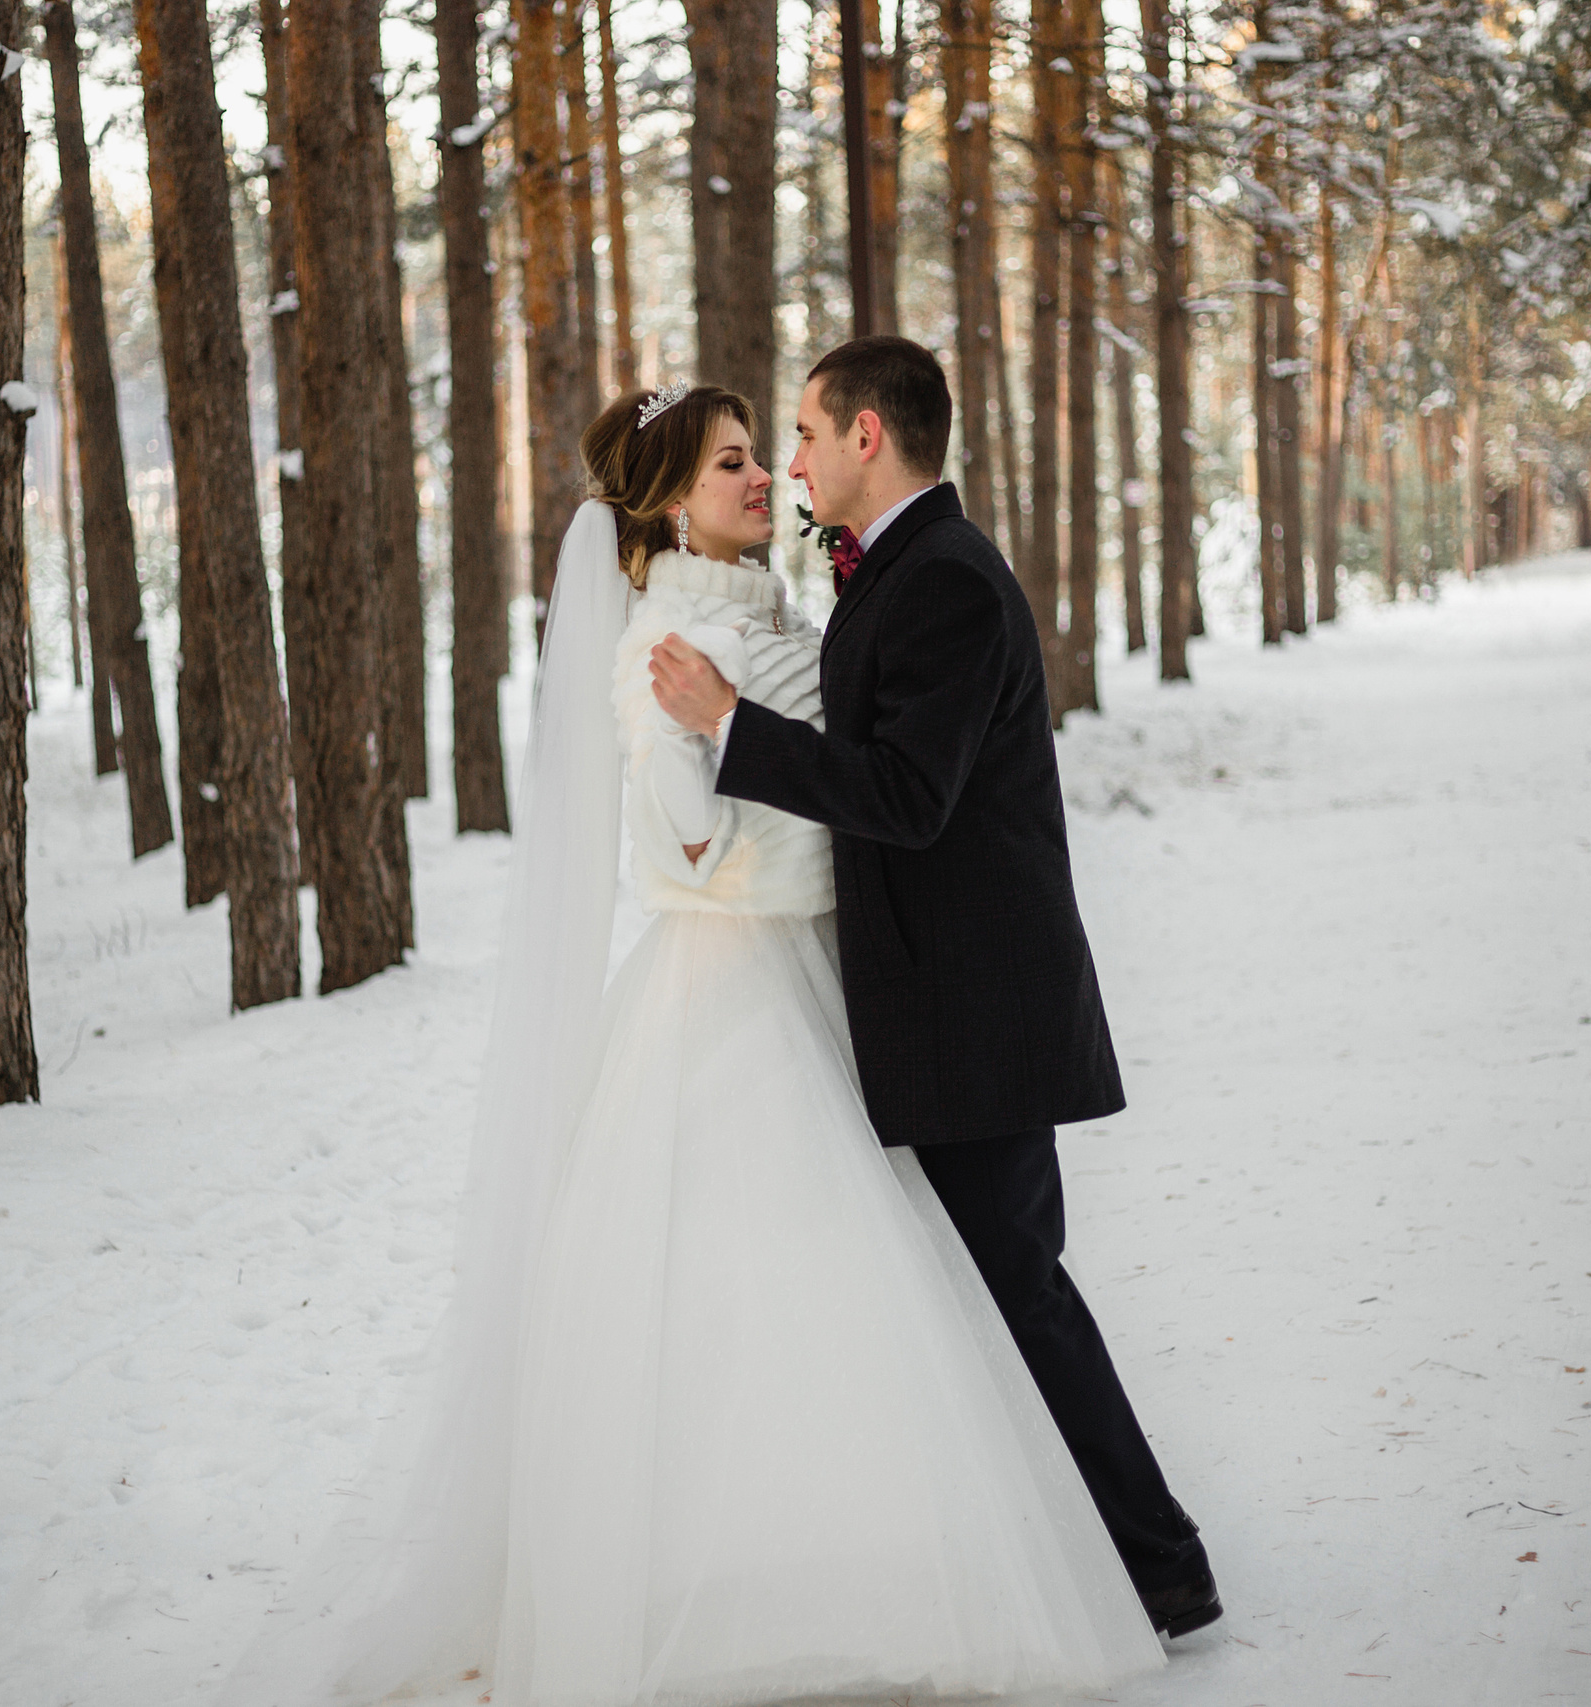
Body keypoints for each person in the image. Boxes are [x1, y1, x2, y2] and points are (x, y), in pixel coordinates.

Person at [221, 380, 1165, 1707]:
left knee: (899, 1302)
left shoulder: (782, 615)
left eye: (772, 451)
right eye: (735, 459)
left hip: (842, 991)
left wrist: (751, 741)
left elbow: (873, 774)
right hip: (735, 993)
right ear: (667, 499)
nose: (767, 475)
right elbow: (686, 841)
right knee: (763, 1304)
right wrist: (708, 757)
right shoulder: (663, 645)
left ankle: (919, 1559)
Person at [648, 334, 1221, 1642]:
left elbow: (908, 795)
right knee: (985, 1303)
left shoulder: (946, 581)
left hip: (981, 1017)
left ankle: (1160, 1567)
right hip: (943, 1012)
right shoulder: (896, 576)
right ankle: (1080, 1563)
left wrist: (734, 728)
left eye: (802, 432)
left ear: (868, 438)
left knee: (1017, 1293)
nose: (789, 460)